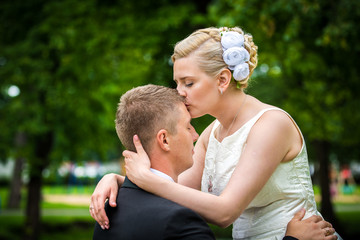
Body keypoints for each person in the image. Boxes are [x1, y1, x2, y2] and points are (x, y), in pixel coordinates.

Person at [90, 27, 340, 240]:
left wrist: (147, 179)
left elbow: (224, 213)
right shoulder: (211, 134)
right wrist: (117, 179)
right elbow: (174, 189)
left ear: (222, 80)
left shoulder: (271, 124)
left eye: (188, 83)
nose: (180, 93)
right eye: (177, 83)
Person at [92, 84, 321, 240]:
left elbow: (171, 190)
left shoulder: (108, 210)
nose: (195, 135)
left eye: (188, 83)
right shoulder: (181, 221)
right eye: (188, 126)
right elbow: (222, 212)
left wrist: (120, 180)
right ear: (164, 139)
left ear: (223, 80)